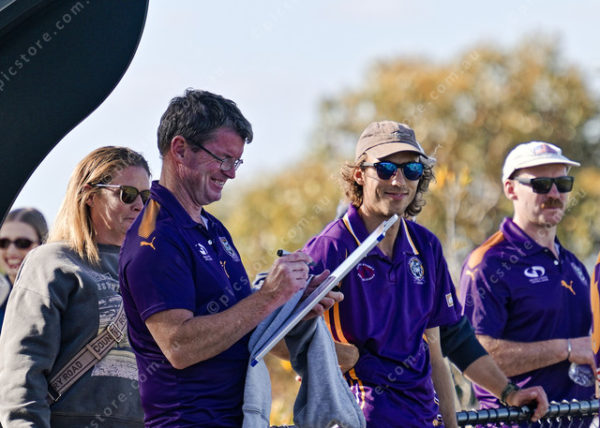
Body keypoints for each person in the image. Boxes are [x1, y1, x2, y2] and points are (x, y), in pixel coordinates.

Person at [118, 89, 341, 427]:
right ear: (180, 149)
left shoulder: (213, 228)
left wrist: (292, 306)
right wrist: (268, 296)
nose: (231, 173)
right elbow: (178, 346)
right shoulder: (154, 239)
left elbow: (238, 321)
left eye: (236, 162)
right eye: (223, 159)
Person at [301, 120, 462, 427]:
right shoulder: (331, 246)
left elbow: (436, 353)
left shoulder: (426, 245)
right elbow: (275, 337)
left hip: (422, 419)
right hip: (357, 419)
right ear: (359, 175)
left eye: (412, 170)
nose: (399, 180)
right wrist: (338, 356)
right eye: (386, 168)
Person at [0, 146, 151, 427]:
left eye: (146, 196)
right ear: (89, 195)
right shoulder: (53, 262)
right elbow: (22, 367)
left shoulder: (152, 272)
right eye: (127, 194)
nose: (138, 205)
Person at [460, 141, 595, 412]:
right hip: (513, 421)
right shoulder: (488, 263)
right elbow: (472, 356)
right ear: (511, 189)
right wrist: (567, 349)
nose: (554, 193)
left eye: (563, 184)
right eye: (541, 184)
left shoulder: (576, 266)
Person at [0, 207, 48, 331]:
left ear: (43, 245)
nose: (11, 251)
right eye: (3, 243)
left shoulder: (57, 296)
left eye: (22, 243)